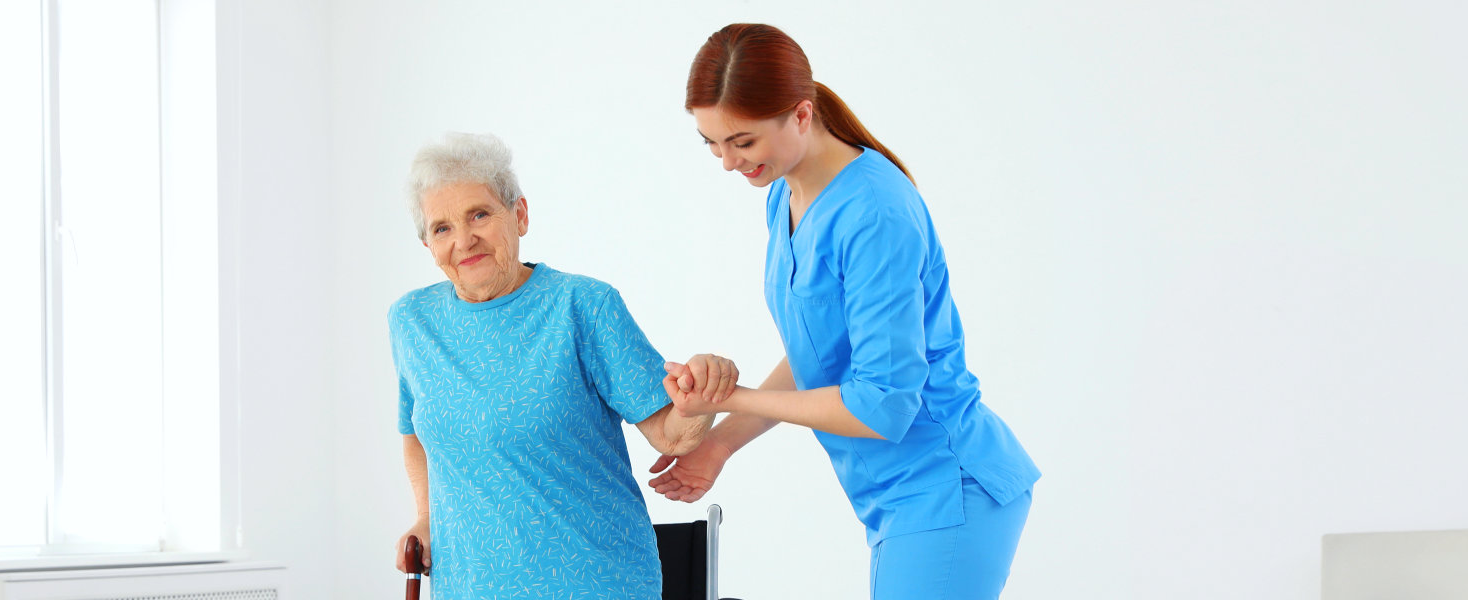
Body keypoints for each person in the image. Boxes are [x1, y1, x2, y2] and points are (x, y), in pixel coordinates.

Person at [648, 23, 1043, 599]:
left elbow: (883, 405)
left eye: (743, 142)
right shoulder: (785, 192)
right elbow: (820, 354)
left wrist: (724, 398)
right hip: (894, 496)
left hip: (945, 489)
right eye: (712, 143)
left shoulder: (874, 213)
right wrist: (720, 442)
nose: (728, 163)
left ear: (801, 116)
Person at [388, 132, 738, 599]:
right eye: (442, 228)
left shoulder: (583, 307)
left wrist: (701, 394)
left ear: (520, 215)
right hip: (468, 586)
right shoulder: (412, 322)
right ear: (428, 244)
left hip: (594, 581)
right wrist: (427, 516)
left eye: (480, 214)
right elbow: (415, 430)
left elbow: (672, 434)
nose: (464, 239)